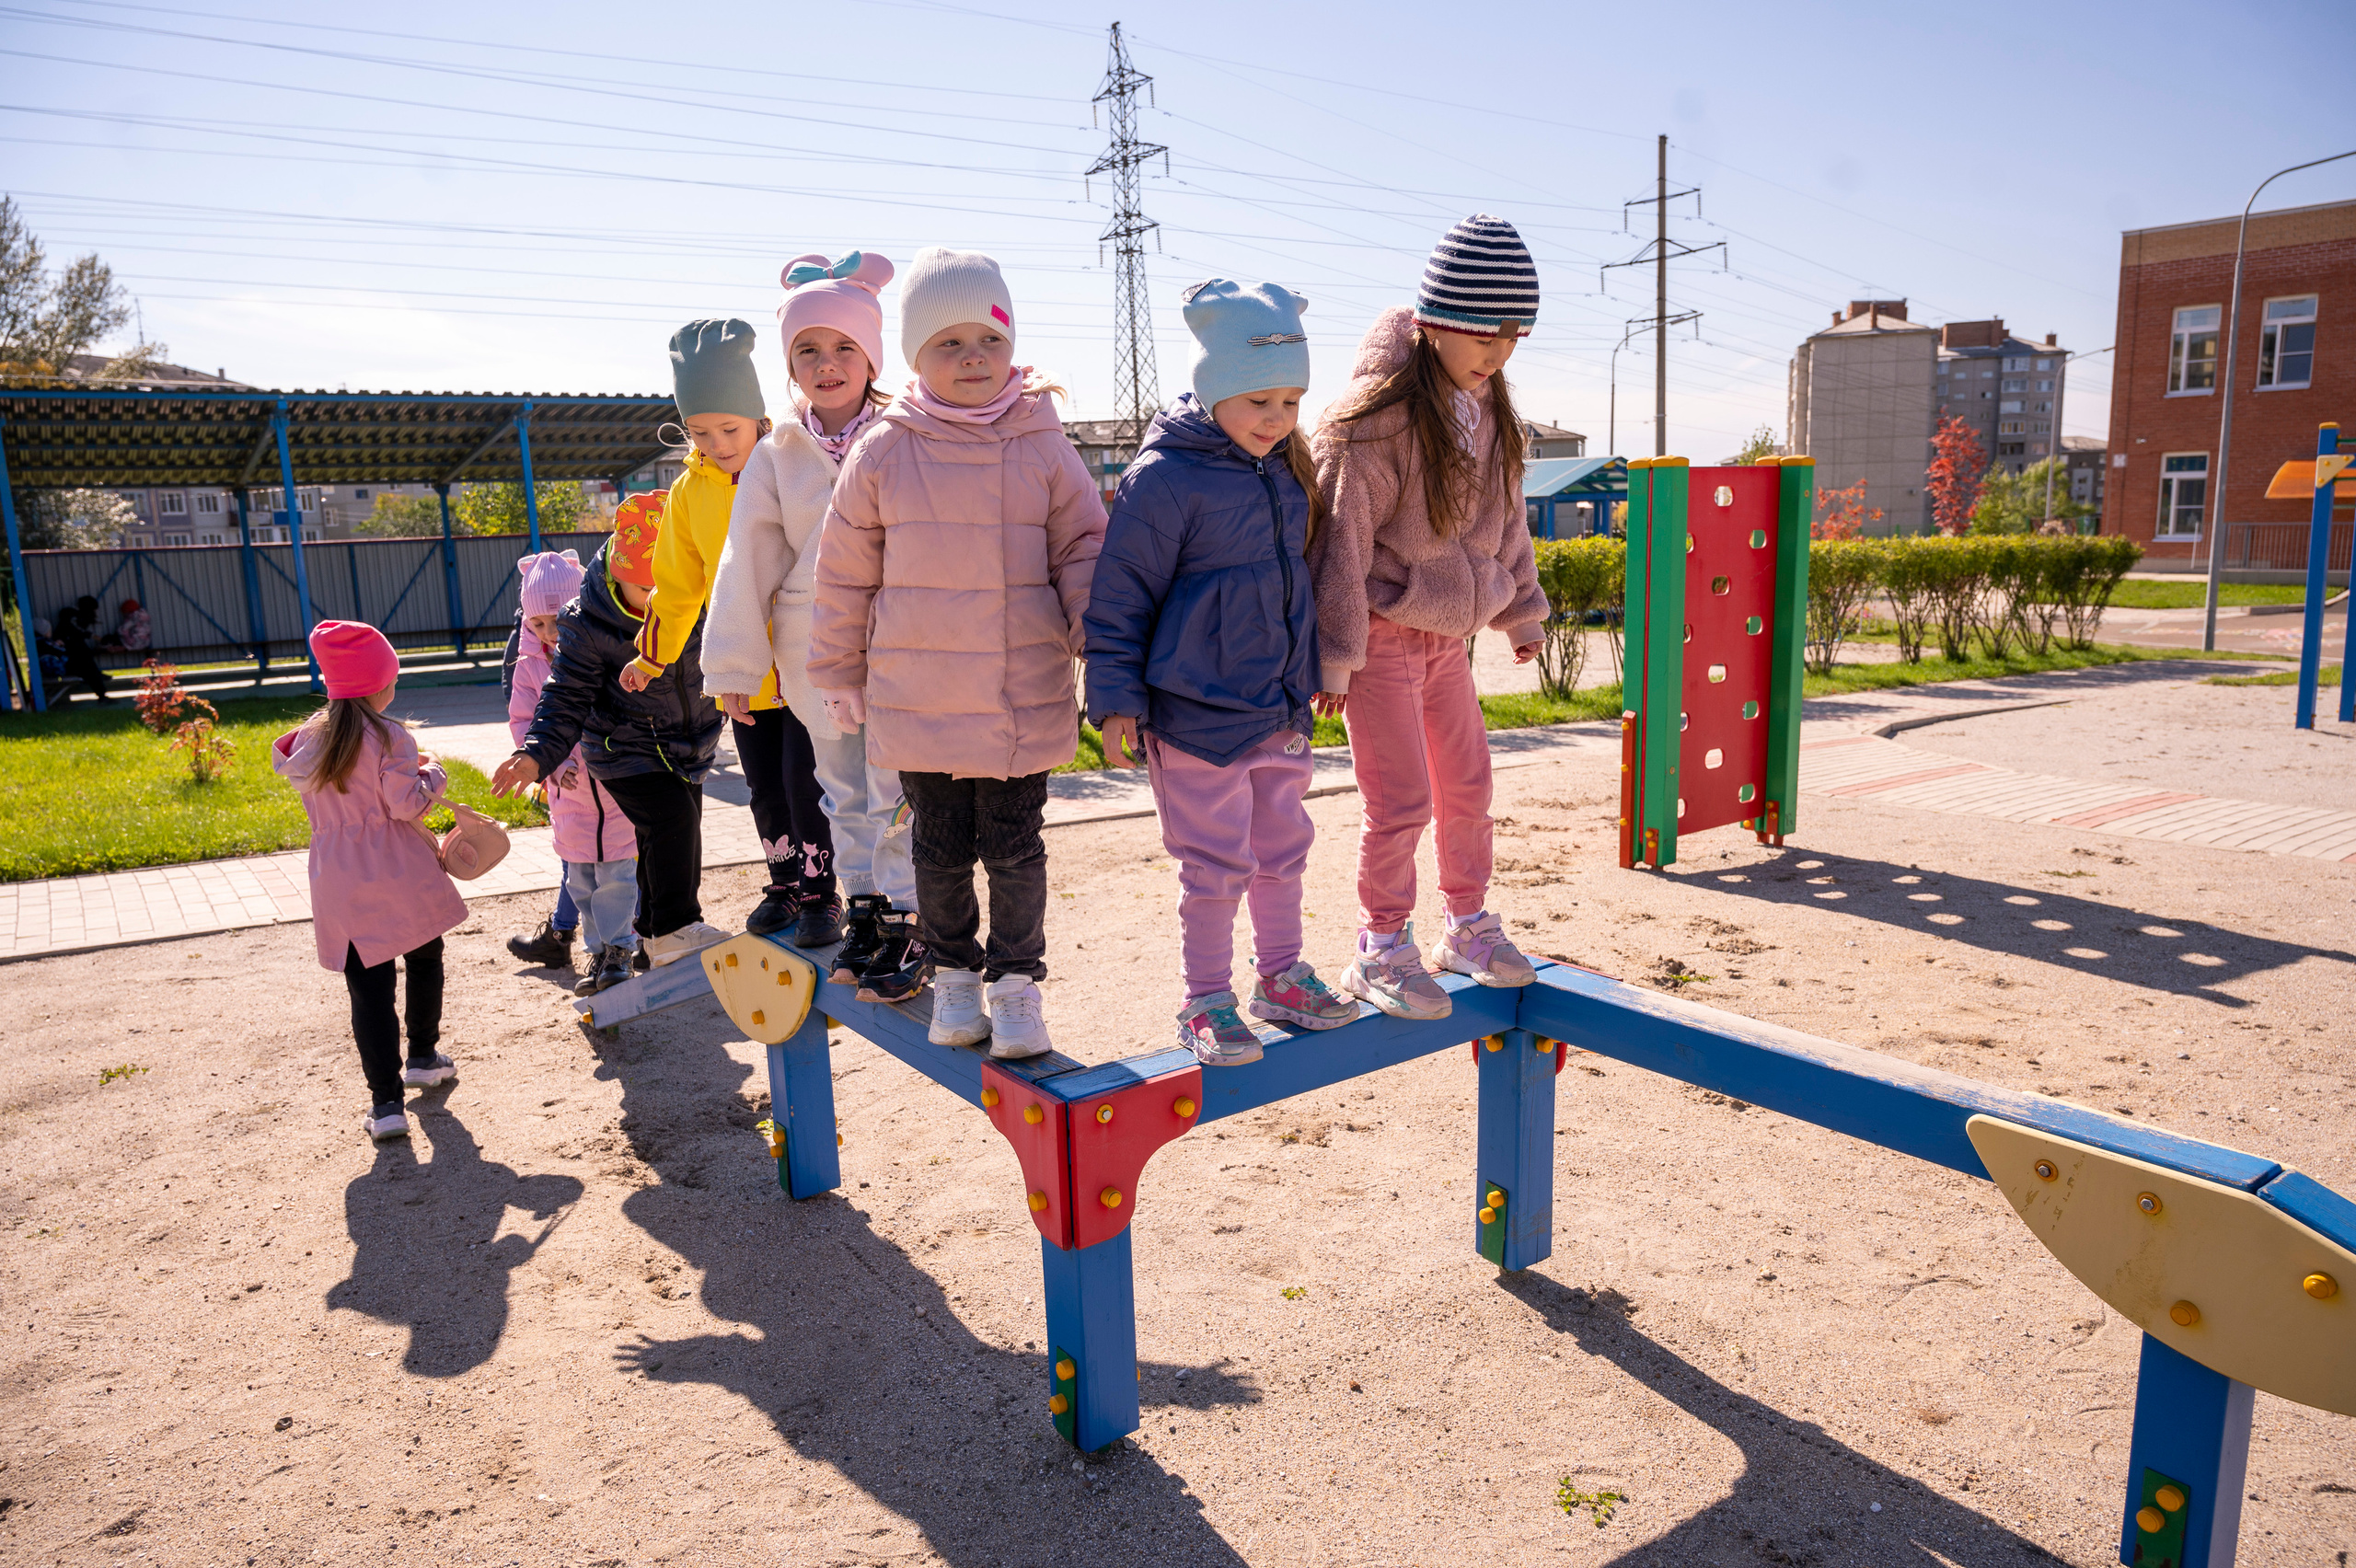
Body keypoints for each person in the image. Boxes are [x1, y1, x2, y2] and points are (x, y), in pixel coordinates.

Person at [809, 247, 1105, 1057]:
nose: (974, 357)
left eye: (991, 339)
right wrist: (836, 670)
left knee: (1014, 849)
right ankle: (953, 979)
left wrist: (1098, 643)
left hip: (1022, 690)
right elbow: (843, 573)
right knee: (936, 851)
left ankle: (1016, 985)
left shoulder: (1045, 443)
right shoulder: (884, 449)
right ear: (913, 356)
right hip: (920, 696)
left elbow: (1082, 548)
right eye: (949, 344)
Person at [1084, 278, 1357, 1066]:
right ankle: (1205, 1001)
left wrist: (1317, 669)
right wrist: (1115, 704)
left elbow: (1295, 584)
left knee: (1283, 850)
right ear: (1213, 392)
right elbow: (1121, 595)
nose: (1275, 420)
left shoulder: (1283, 473)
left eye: (1290, 402)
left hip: (1278, 706)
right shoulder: (1164, 479)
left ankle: (1281, 977)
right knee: (1214, 867)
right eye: (1258, 401)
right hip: (1194, 713)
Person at [1309, 214, 1551, 1020]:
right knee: (1402, 798)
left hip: (1447, 641)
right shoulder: (1368, 422)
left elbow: (1508, 522)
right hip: (1379, 639)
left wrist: (1521, 610)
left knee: (1469, 785)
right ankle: (1379, 946)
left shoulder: (1489, 416)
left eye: (1514, 334)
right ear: (1437, 322)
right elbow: (1338, 543)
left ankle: (1466, 925)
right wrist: (1334, 657)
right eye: (1485, 332)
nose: (1499, 351)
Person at [707, 248, 923, 997]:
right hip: (813, 655)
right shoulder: (777, 453)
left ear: (871, 357)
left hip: (900, 645)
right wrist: (734, 667)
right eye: (808, 351)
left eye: (843, 348)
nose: (827, 364)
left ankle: (905, 917)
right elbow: (748, 557)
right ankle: (864, 909)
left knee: (894, 788)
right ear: (790, 365)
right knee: (841, 789)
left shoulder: (909, 432)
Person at [623, 318, 843, 950]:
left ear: (757, 418)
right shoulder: (690, 492)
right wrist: (653, 656)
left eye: (729, 429)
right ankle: (783, 881)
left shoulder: (792, 465)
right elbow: (679, 584)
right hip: (741, 671)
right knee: (764, 786)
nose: (717, 444)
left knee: (808, 782)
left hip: (801, 664)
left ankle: (821, 892)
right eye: (699, 433)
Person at [491, 497, 730, 968]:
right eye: (645, 589)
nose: (659, 600)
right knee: (670, 820)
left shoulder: (698, 598)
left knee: (682, 833)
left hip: (688, 741)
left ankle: (661, 933)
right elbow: (564, 694)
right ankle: (667, 930)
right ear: (617, 576)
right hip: (620, 745)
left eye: (669, 586)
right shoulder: (585, 620)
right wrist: (537, 753)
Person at [271, 619, 467, 1143]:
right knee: (425, 958)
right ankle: (423, 1055)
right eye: (392, 677)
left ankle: (385, 1106)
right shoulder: (390, 735)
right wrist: (434, 775)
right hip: (397, 867)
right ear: (379, 685)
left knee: (368, 990)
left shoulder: (310, 742)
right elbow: (404, 805)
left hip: (339, 876)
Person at [505, 549, 641, 995]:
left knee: (618, 876)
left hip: (615, 786)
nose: (549, 633)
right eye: (537, 624)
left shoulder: (605, 651)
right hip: (571, 798)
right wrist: (552, 763)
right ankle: (597, 950)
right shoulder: (529, 666)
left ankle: (621, 948)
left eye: (557, 620)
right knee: (580, 879)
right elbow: (525, 723)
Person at [54, 598, 112, 702]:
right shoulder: (73, 617)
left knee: (89, 665)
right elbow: (79, 631)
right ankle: (101, 694)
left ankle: (100, 691)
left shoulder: (74, 617)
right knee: (89, 668)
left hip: (74, 650)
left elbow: (80, 633)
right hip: (71, 653)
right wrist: (96, 638)